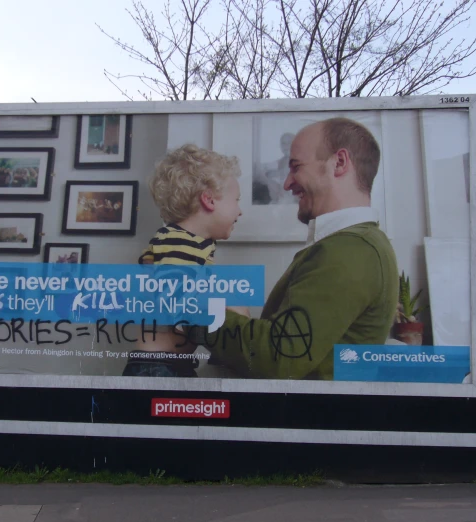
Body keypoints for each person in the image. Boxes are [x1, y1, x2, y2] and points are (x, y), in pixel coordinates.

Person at [188, 117, 398, 380]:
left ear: (340, 163)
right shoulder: (356, 244)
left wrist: (192, 305)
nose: (286, 183)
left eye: (296, 167)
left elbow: (279, 357)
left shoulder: (351, 250)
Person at [122, 144, 243, 378]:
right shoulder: (177, 241)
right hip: (158, 367)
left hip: (169, 363)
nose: (240, 211)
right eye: (236, 200)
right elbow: (176, 292)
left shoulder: (190, 244)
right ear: (209, 200)